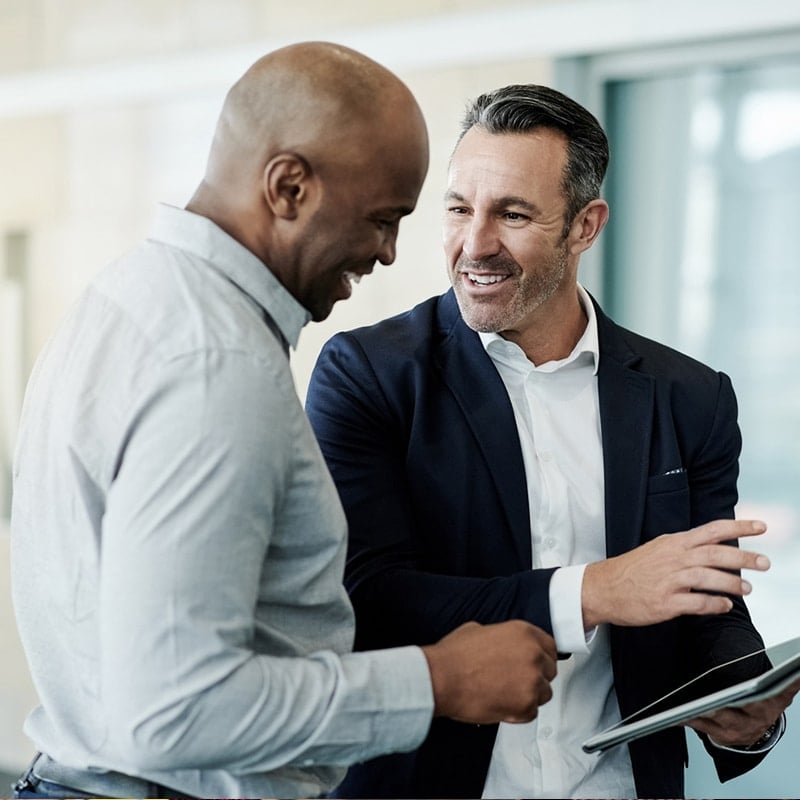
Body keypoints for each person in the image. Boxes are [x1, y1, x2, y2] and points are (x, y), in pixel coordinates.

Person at [9, 47, 560, 800]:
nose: (390, 253)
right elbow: (174, 712)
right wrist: (438, 679)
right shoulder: (214, 364)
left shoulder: (128, 298)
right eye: (382, 219)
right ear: (289, 186)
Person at [306, 83, 799, 799]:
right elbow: (369, 600)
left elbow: (703, 605)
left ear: (584, 226)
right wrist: (596, 591)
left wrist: (747, 705)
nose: (475, 244)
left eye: (511, 214)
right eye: (458, 209)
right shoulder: (369, 377)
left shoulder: (690, 396)